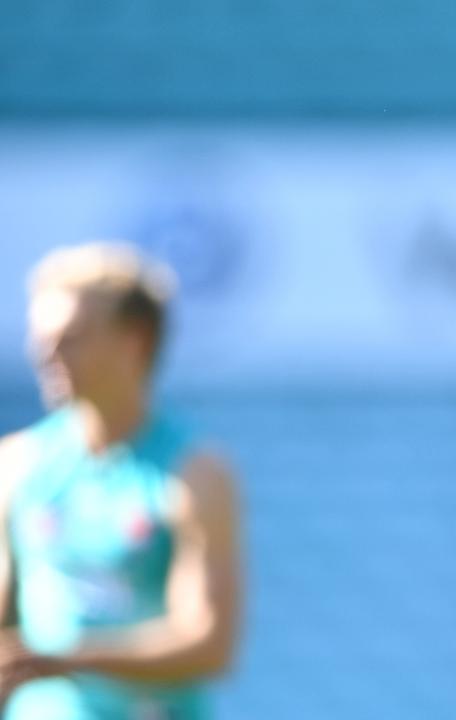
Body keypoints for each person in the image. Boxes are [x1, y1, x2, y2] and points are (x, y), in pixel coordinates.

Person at [0, 243, 241, 718]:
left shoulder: (193, 472)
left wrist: (70, 659)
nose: (47, 354)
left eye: (71, 337)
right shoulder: (18, 463)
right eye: (40, 337)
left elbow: (210, 643)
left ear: (135, 340)